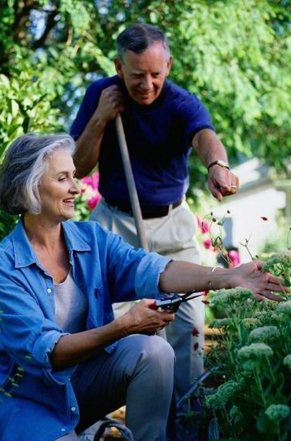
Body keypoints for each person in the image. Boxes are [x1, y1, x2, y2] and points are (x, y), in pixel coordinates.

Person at [0, 132, 286, 441]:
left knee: (153, 352)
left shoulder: (90, 239)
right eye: (62, 178)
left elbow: (152, 269)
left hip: (84, 383)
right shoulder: (4, 267)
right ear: (28, 187)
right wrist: (121, 327)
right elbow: (51, 354)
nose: (76, 187)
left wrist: (225, 276)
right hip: (34, 400)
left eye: (74, 176)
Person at [70, 23, 240, 411]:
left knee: (189, 322)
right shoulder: (100, 94)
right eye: (136, 76)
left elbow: (204, 136)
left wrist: (217, 165)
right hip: (114, 223)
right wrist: (100, 118)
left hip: (171, 225)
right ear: (118, 66)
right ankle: (101, 417)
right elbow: (78, 168)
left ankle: (186, 421)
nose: (147, 84)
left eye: (155, 74)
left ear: (168, 65)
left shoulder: (181, 103)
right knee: (105, 322)